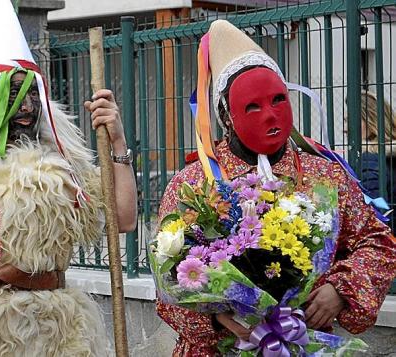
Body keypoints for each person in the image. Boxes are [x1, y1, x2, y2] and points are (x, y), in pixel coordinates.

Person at [156, 20, 396, 356]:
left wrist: (341, 289)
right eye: (252, 106)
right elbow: (168, 278)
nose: (270, 115)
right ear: (227, 116)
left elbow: (379, 242)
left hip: (303, 341)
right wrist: (220, 317)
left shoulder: (324, 176)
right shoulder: (194, 184)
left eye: (278, 100)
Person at [0, 0, 137, 355]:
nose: (25, 107)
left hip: (63, 328)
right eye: (13, 95)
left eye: (31, 96)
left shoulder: (65, 166)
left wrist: (117, 139)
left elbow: (124, 219)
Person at [348, 90, 396, 229]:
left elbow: (377, 207)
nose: (346, 129)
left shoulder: (369, 159)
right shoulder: (386, 154)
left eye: (350, 121)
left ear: (370, 121)